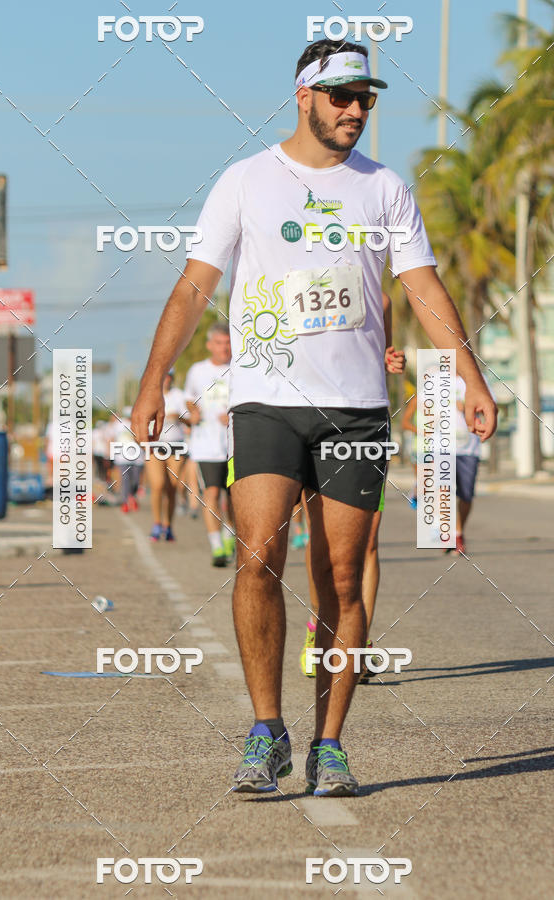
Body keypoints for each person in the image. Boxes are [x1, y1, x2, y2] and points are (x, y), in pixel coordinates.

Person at [131, 39, 497, 797]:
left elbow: (423, 288)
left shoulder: (385, 188)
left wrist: (469, 374)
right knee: (259, 555)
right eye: (342, 97)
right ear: (304, 96)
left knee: (340, 575)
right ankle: (266, 731)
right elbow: (195, 286)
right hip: (266, 399)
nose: (357, 111)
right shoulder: (247, 182)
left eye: (366, 99)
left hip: (357, 411)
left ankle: (330, 742)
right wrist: (153, 380)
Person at [299, 293, 406, 681]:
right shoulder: (298, 278)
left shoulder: (382, 299)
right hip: (309, 415)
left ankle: (357, 644)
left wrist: (392, 359)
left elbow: (381, 353)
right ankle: (321, 625)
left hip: (365, 419)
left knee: (369, 537)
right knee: (322, 533)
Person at [183, 323, 236, 566]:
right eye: (219, 343)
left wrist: (235, 414)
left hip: (237, 444)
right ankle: (216, 547)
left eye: (227, 343)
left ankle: (229, 535)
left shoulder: (240, 368)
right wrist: (193, 412)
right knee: (212, 494)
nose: (224, 348)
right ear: (209, 345)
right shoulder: (197, 371)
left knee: (236, 499)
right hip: (207, 445)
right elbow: (189, 400)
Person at [449, 375, 494, 555]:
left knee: (466, 496)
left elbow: (489, 409)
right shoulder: (435, 378)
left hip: (469, 449)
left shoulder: (478, 379)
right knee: (442, 490)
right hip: (440, 447)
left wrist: (469, 410)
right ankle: (449, 532)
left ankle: (458, 533)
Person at [146, 371, 189, 541]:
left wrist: (178, 417)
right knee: (157, 485)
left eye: (169, 376)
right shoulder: (150, 395)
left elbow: (191, 419)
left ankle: (168, 525)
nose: (166, 379)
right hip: (155, 444)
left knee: (172, 487)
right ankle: (156, 524)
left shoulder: (180, 395)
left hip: (176, 445)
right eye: (163, 376)